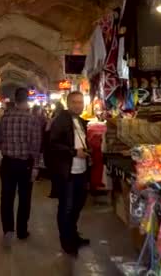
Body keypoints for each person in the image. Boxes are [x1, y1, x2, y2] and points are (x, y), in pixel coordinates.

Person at [0, 88, 42, 248]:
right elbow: (35, 145)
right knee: (24, 198)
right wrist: (36, 167)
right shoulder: (32, 119)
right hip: (25, 164)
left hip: (8, 163)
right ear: (27, 100)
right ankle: (22, 231)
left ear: (15, 100)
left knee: (6, 198)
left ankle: (8, 230)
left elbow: (0, 141)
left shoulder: (5, 118)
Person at [49, 91, 90, 256]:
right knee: (66, 208)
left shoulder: (80, 121)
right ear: (68, 103)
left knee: (78, 205)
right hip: (67, 172)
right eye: (75, 102)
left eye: (80, 102)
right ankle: (67, 242)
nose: (78, 105)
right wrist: (74, 152)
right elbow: (53, 145)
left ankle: (73, 236)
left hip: (81, 170)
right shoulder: (61, 120)